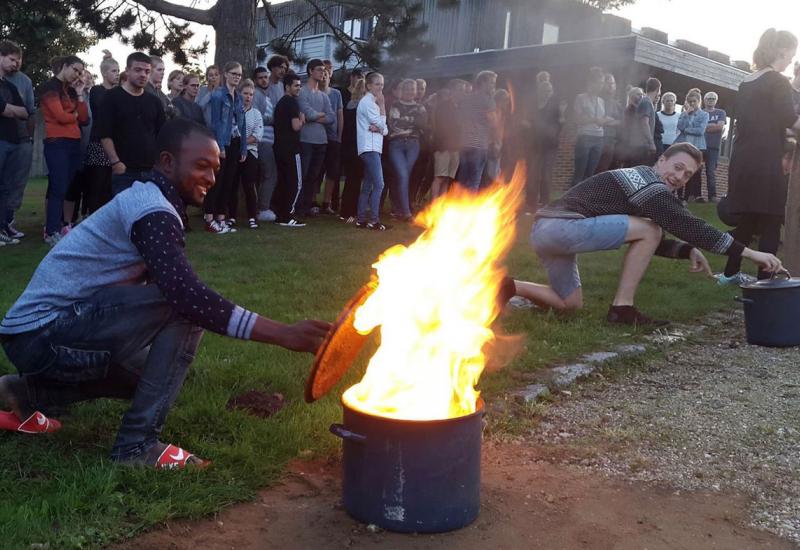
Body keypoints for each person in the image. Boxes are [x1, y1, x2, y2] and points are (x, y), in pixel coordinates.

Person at [0, 117, 331, 466]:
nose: (211, 178)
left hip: (31, 335)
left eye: (215, 169)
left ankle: (21, 393)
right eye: (201, 165)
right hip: (42, 334)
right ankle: (136, 447)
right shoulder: (152, 209)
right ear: (168, 162)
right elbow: (185, 296)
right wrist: (283, 333)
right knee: (184, 308)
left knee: (149, 375)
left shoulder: (153, 201)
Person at [509, 143, 783, 325]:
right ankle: (622, 308)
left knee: (569, 304)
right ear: (661, 160)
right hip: (559, 228)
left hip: (546, 231)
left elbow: (649, 239)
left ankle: (508, 286)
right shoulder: (645, 180)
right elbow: (686, 224)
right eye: (677, 167)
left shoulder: (645, 191)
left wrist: (687, 250)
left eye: (687, 175)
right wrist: (750, 253)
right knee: (650, 228)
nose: (679, 177)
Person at [720, 29, 800, 284]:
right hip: (766, 160)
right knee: (772, 219)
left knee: (749, 218)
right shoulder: (778, 81)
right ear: (783, 50)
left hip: (743, 157)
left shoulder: (748, 81)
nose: (791, 60)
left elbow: (765, 120)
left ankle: (730, 274)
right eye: (792, 54)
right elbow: (790, 118)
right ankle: (766, 281)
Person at [37, 55, 89, 246]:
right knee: (58, 186)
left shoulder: (73, 91)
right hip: (57, 141)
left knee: (64, 186)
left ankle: (56, 227)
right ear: (65, 66)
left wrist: (81, 94)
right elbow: (59, 116)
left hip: (74, 142)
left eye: (80, 72)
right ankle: (51, 231)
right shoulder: (49, 87)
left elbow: (84, 119)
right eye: (75, 70)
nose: (77, 74)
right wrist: (72, 114)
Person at [99, 52, 166, 197]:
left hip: (150, 171)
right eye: (138, 70)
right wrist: (115, 162)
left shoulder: (154, 102)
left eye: (147, 71)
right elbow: (105, 134)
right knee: (125, 216)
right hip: (124, 171)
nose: (143, 74)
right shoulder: (111, 98)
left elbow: (162, 134)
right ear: (127, 71)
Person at [203, 61, 247, 233]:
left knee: (229, 182)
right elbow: (215, 123)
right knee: (217, 182)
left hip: (235, 142)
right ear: (226, 74)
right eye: (234, 73)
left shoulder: (239, 97)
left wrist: (243, 147)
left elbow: (242, 124)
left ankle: (221, 218)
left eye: (239, 74)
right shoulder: (218, 95)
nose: (237, 77)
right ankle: (209, 218)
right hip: (222, 142)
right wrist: (219, 146)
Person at [2, 41, 35, 242]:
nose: (16, 63)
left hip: (21, 140)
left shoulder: (24, 81)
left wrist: (29, 139)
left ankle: (7, 222)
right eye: (12, 59)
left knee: (14, 184)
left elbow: (28, 111)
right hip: (2, 139)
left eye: (18, 60)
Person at [81, 52, 119, 217]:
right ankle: (93, 216)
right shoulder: (97, 90)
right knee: (97, 183)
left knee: (111, 185)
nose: (117, 74)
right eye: (114, 71)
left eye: (118, 71)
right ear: (104, 73)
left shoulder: (118, 92)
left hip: (115, 143)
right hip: (98, 142)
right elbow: (104, 108)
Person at [297, 59, 334, 217]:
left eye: (324, 70)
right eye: (319, 69)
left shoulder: (324, 96)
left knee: (314, 176)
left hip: (321, 140)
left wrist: (315, 116)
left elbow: (332, 117)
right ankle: (297, 206)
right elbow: (307, 113)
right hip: (306, 139)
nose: (322, 72)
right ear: (310, 71)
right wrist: (318, 115)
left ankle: (306, 207)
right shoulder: (302, 92)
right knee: (303, 174)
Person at [387, 78, 427, 221]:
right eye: (407, 89)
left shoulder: (420, 107)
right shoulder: (394, 105)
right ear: (402, 91)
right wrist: (412, 121)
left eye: (412, 89)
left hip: (413, 145)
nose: (410, 92)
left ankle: (398, 209)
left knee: (404, 176)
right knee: (403, 175)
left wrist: (406, 120)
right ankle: (406, 212)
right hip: (396, 144)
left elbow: (423, 124)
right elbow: (393, 124)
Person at [272, 73, 307, 227]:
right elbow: (295, 126)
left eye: (300, 85)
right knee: (295, 182)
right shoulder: (291, 103)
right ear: (287, 87)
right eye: (296, 85)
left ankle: (281, 214)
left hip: (279, 147)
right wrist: (302, 119)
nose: (299, 88)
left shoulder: (280, 103)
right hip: (291, 149)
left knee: (284, 181)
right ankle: (288, 214)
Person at [356, 71, 389, 230]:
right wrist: (382, 107)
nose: (380, 87)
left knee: (368, 185)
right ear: (369, 85)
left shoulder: (372, 103)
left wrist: (381, 128)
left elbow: (385, 130)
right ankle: (374, 220)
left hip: (374, 147)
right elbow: (381, 123)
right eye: (377, 84)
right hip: (369, 147)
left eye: (382, 84)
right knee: (379, 184)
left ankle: (361, 219)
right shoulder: (368, 102)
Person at [528, 79, 566, 209]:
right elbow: (527, 122)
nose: (547, 93)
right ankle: (531, 202)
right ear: (540, 91)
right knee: (533, 174)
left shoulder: (555, 107)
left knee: (546, 174)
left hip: (550, 145)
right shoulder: (533, 105)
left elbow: (560, 125)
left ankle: (545, 202)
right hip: (534, 144)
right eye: (545, 90)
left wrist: (562, 115)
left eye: (549, 90)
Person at [457, 70, 498, 190]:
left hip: (464, 144)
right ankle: (469, 207)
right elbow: (493, 122)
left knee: (462, 179)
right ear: (483, 83)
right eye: (491, 83)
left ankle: (457, 204)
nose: (493, 86)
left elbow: (460, 119)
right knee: (474, 179)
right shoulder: (488, 101)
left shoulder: (466, 99)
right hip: (479, 145)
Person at [431, 79, 467, 200]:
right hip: (443, 147)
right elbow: (442, 127)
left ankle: (441, 207)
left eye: (463, 90)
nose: (462, 93)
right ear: (452, 91)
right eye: (459, 90)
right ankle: (433, 206)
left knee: (448, 179)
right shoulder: (444, 106)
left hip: (456, 149)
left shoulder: (461, 108)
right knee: (439, 177)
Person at [252, 66, 277, 222]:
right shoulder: (256, 95)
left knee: (266, 174)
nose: (264, 80)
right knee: (270, 174)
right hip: (262, 141)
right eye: (260, 77)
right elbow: (257, 116)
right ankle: (263, 208)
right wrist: (274, 120)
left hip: (269, 140)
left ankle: (261, 206)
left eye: (266, 77)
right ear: (256, 80)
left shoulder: (269, 94)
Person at [339, 78, 366, 224]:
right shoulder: (362, 107)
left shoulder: (349, 105)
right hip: (357, 146)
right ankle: (351, 211)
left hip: (347, 146)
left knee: (351, 179)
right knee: (355, 180)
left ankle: (345, 210)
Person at [675, 91, 709, 202]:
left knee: (692, 170)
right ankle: (679, 196)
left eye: (694, 101)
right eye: (690, 102)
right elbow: (680, 126)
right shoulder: (684, 114)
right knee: (681, 169)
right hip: (684, 145)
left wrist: (686, 130)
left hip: (697, 145)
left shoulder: (704, 115)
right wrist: (685, 114)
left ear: (699, 102)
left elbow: (700, 131)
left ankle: (688, 196)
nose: (692, 104)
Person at [320, 61, 344, 215]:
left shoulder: (336, 94)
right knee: (316, 171)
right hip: (318, 137)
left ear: (330, 76)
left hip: (333, 138)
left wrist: (339, 136)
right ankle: (312, 201)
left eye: (326, 75)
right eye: (321, 75)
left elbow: (340, 115)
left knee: (332, 172)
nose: (323, 77)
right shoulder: (314, 93)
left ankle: (326, 202)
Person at [595, 72, 622, 173]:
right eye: (608, 83)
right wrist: (607, 120)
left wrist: (608, 121)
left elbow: (621, 122)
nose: (611, 86)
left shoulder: (616, 104)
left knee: (603, 170)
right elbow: (598, 119)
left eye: (613, 83)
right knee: (593, 170)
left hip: (611, 141)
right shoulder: (597, 100)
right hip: (597, 139)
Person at [702, 91, 726, 203]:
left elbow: (720, 128)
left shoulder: (721, 112)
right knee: (695, 171)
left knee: (711, 172)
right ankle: (694, 195)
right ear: (704, 100)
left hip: (713, 147)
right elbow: (697, 127)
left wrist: (705, 127)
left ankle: (712, 196)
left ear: (716, 101)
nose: (710, 100)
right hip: (700, 145)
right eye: (708, 98)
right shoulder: (700, 112)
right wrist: (712, 125)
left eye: (713, 98)